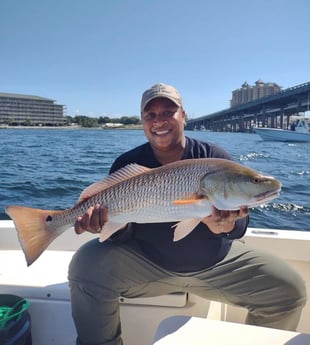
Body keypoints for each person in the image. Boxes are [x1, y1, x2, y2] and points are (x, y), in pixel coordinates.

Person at [68, 83, 307, 345]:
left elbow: (240, 226)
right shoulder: (127, 164)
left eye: (168, 112)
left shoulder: (214, 157)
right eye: (151, 115)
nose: (159, 121)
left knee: (289, 290)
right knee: (86, 263)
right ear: (143, 122)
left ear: (183, 115)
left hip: (215, 264)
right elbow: (118, 237)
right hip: (145, 265)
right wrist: (108, 225)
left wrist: (223, 227)